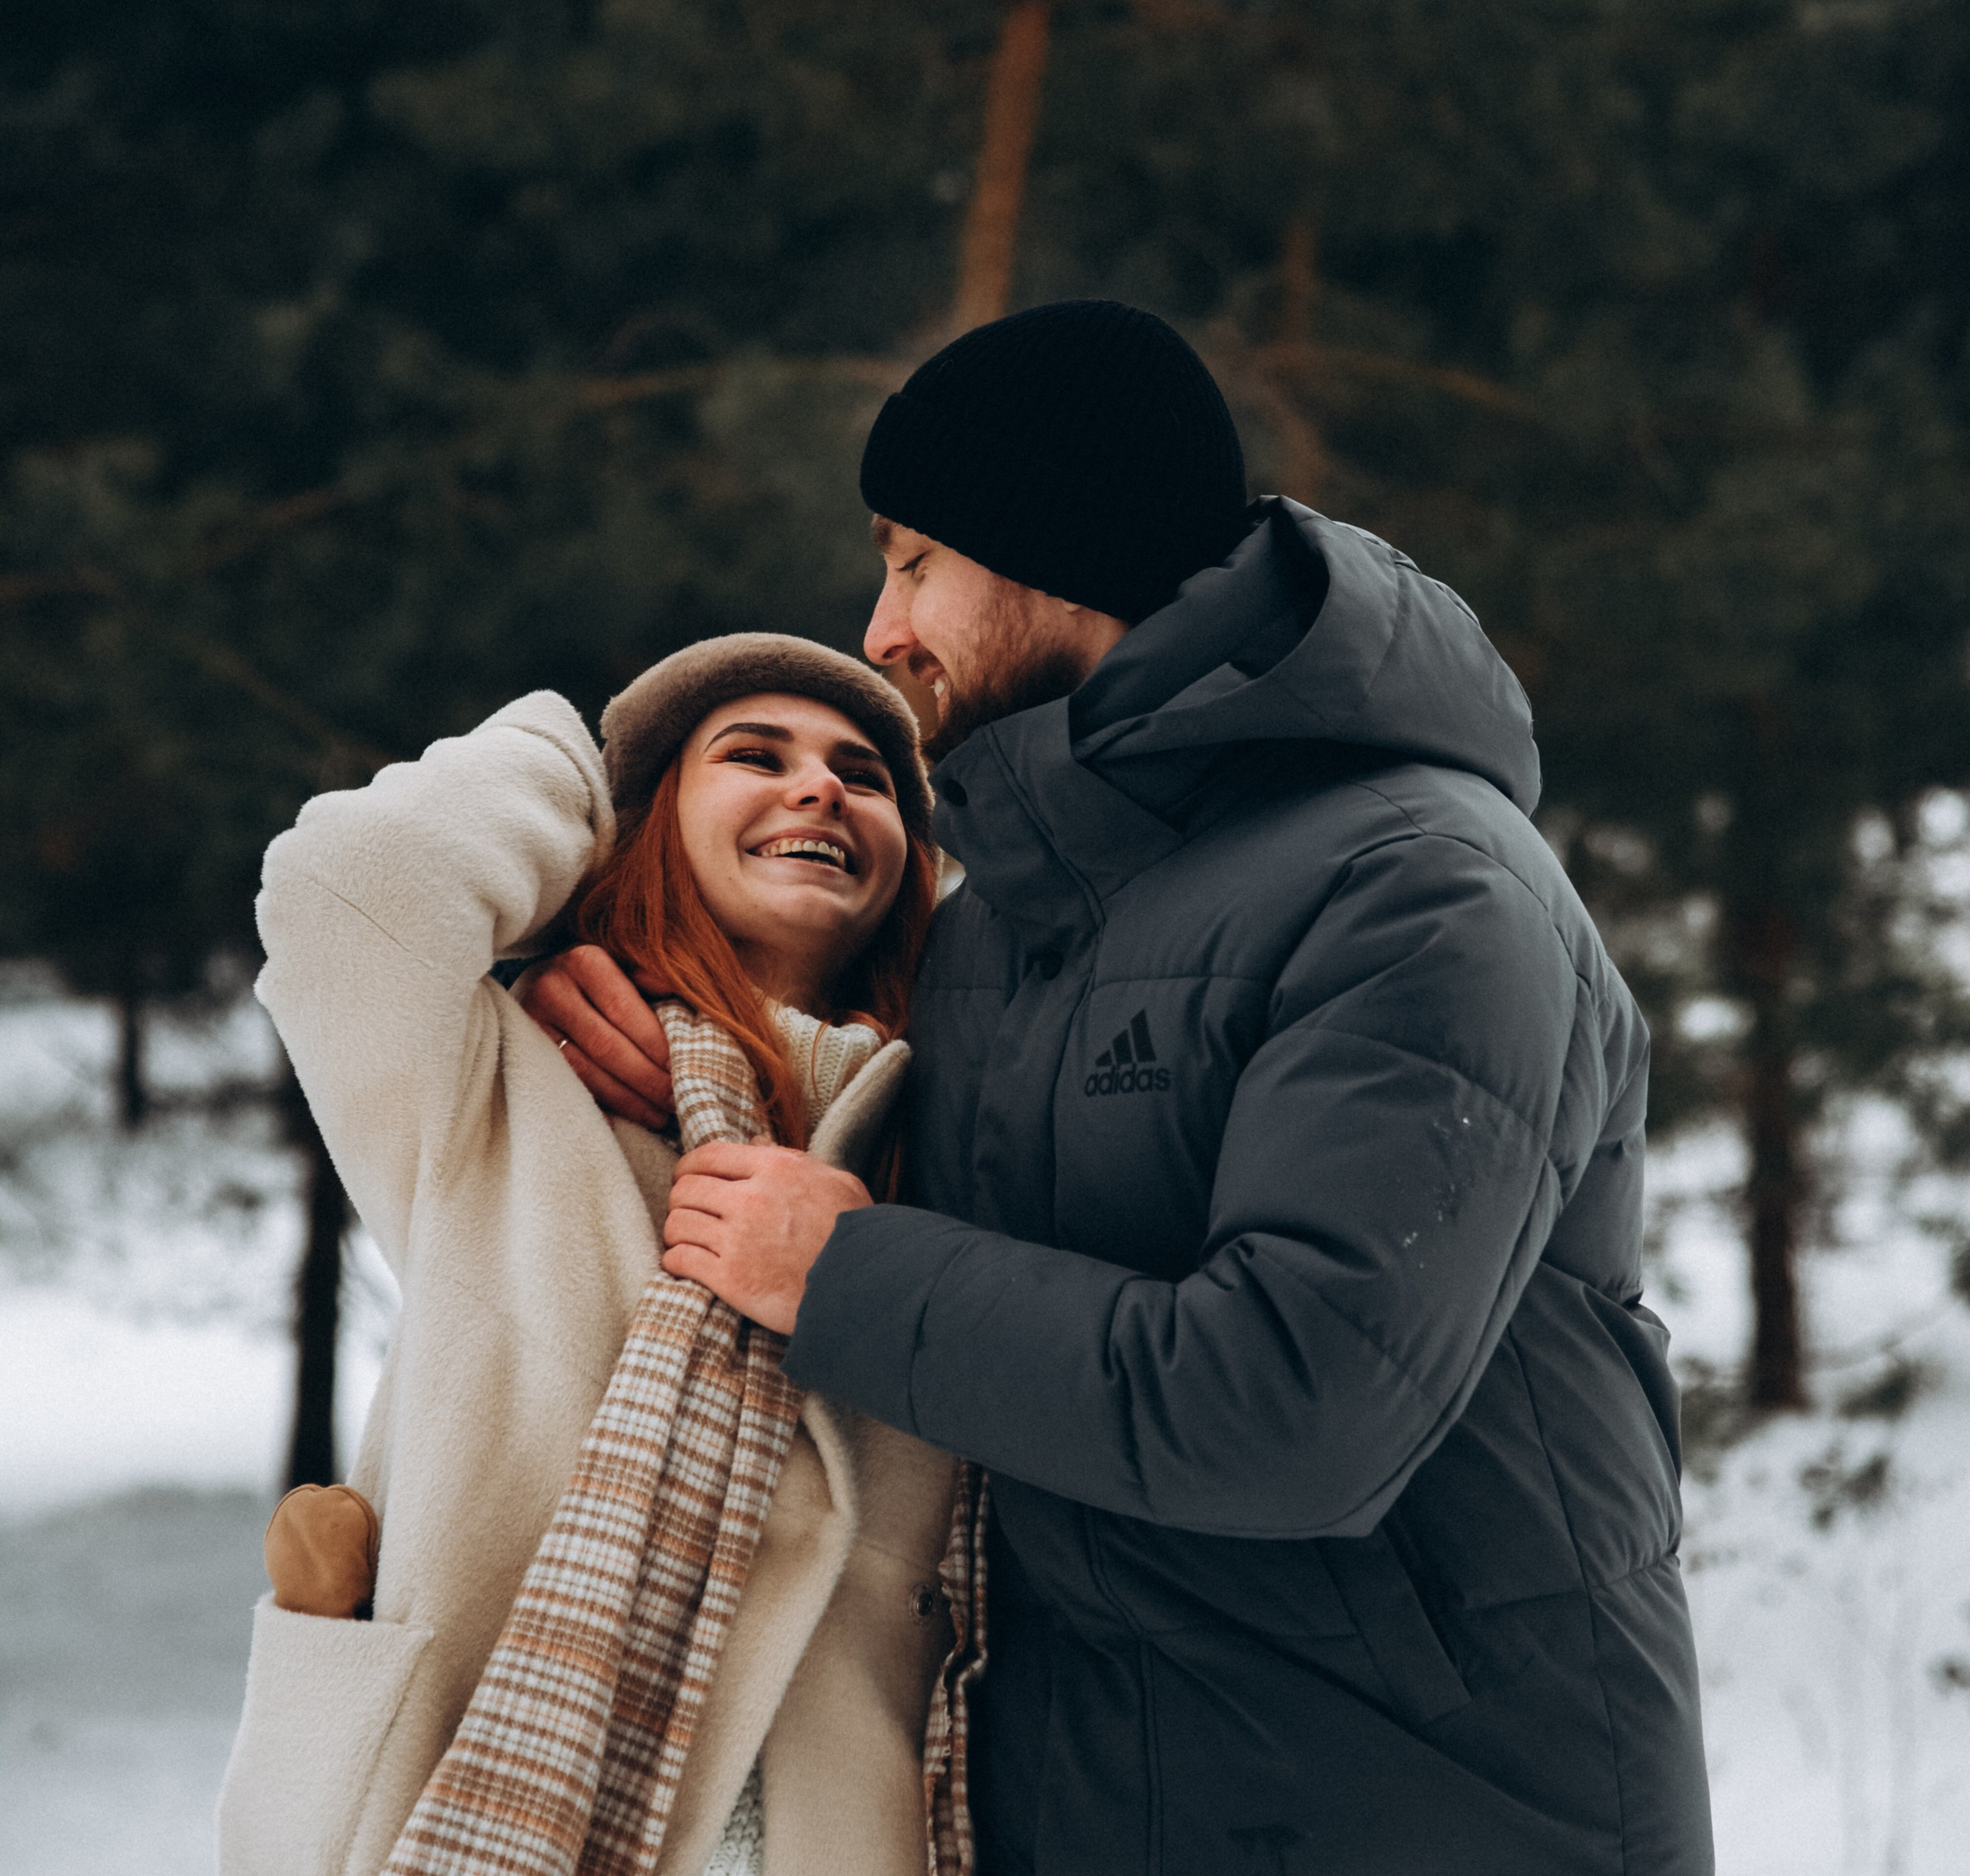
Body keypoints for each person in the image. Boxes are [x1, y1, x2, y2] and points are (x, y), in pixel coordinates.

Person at [526, 300, 1716, 1875]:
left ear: (1043, 550)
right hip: (1092, 1804)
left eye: (912, 559)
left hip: (1437, 1809)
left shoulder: (1423, 891)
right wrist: (582, 954)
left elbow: (1292, 1406)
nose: (877, 628)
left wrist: (840, 1270)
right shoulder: (999, 924)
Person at [218, 634, 976, 1876]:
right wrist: (583, 828)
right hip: (483, 1792)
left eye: (867, 773)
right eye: (753, 756)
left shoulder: (959, 1142)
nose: (823, 787)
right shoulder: (508, 1078)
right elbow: (350, 885)